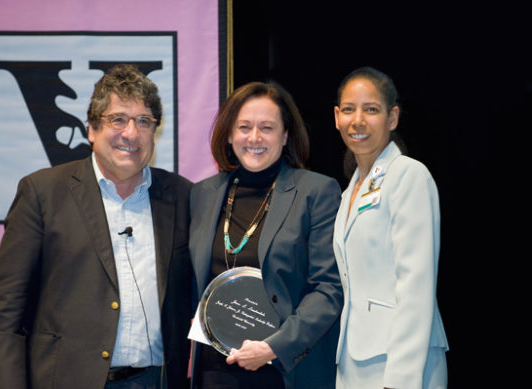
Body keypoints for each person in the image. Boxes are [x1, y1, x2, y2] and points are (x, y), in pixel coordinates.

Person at [0, 64, 193, 389]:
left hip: (157, 380)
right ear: (92, 129)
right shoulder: (43, 193)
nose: (131, 133)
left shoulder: (182, 195)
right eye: (117, 119)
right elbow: (3, 318)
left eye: (143, 121)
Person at [189, 81, 343, 389]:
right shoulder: (203, 194)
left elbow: (329, 289)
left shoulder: (316, 192)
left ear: (285, 136)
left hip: (284, 371)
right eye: (244, 126)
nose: (254, 138)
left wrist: (274, 347)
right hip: (215, 371)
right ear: (230, 133)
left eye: (267, 128)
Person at [332, 66, 449, 389]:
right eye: (349, 109)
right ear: (336, 117)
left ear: (392, 117)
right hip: (353, 360)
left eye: (371, 109)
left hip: (401, 364)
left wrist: (400, 380)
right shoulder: (348, 192)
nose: (358, 120)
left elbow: (416, 285)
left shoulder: (408, 175)